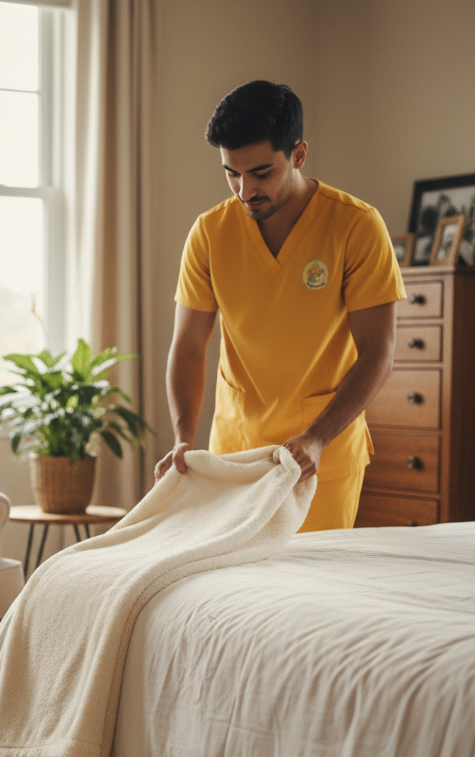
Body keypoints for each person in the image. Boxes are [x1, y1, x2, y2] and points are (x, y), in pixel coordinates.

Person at [154, 81, 406, 532]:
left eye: (261, 173)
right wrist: (182, 439)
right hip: (235, 455)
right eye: (232, 173)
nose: (245, 190)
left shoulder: (357, 226)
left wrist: (317, 438)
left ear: (299, 154)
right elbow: (189, 347)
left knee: (312, 590)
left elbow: (378, 352)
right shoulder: (210, 233)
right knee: (235, 592)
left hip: (321, 453)